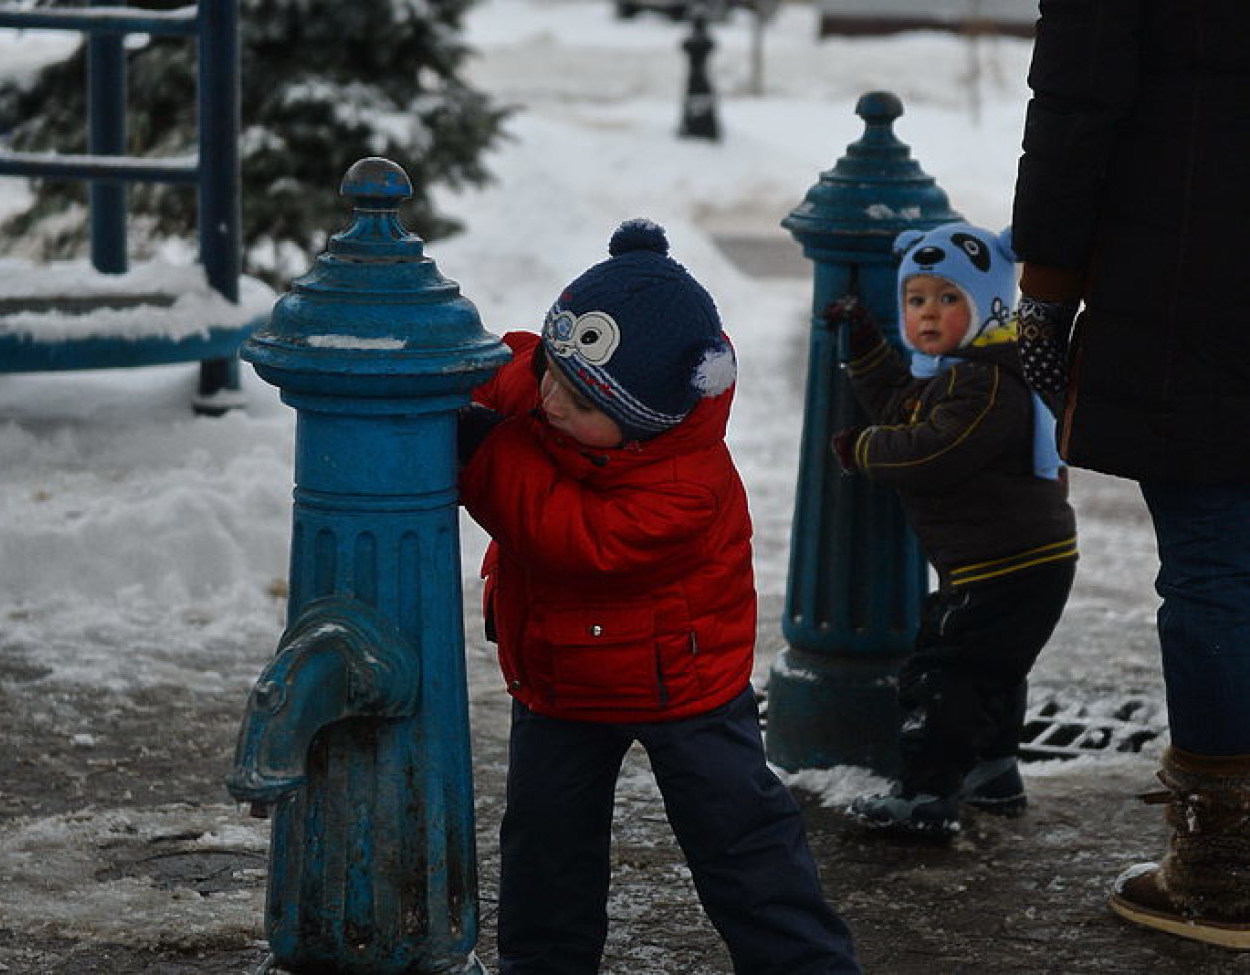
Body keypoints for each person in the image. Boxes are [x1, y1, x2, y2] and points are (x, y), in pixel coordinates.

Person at [456, 218, 861, 974]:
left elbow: (575, 536)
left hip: (682, 683)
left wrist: (479, 450)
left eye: (579, 402)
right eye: (551, 370)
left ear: (649, 420)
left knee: (740, 838)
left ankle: (801, 961)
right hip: (557, 676)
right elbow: (512, 371)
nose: (548, 400)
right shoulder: (568, 377)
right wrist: (449, 359)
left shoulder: (687, 484)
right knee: (545, 845)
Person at [1011, 0, 1250, 950]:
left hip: (1191, 263)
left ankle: (1226, 866)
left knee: (1216, 560)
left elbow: (1078, 101)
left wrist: (1045, 291)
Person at [823, 222, 1078, 840]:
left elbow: (932, 449)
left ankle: (927, 793)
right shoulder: (954, 373)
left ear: (988, 303)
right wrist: (864, 348)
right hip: (1017, 559)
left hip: (1003, 563)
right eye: (915, 300)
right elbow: (902, 405)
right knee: (992, 671)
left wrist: (862, 448)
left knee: (945, 674)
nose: (929, 314)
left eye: (948, 298)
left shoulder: (985, 380)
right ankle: (991, 772)